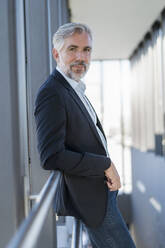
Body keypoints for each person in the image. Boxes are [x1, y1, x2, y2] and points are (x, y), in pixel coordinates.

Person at [34, 22, 136, 247]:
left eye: (86, 50)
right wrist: (105, 164)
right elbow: (51, 156)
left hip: (100, 197)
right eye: (72, 49)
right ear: (56, 53)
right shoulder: (52, 93)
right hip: (91, 203)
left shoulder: (73, 89)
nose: (81, 56)